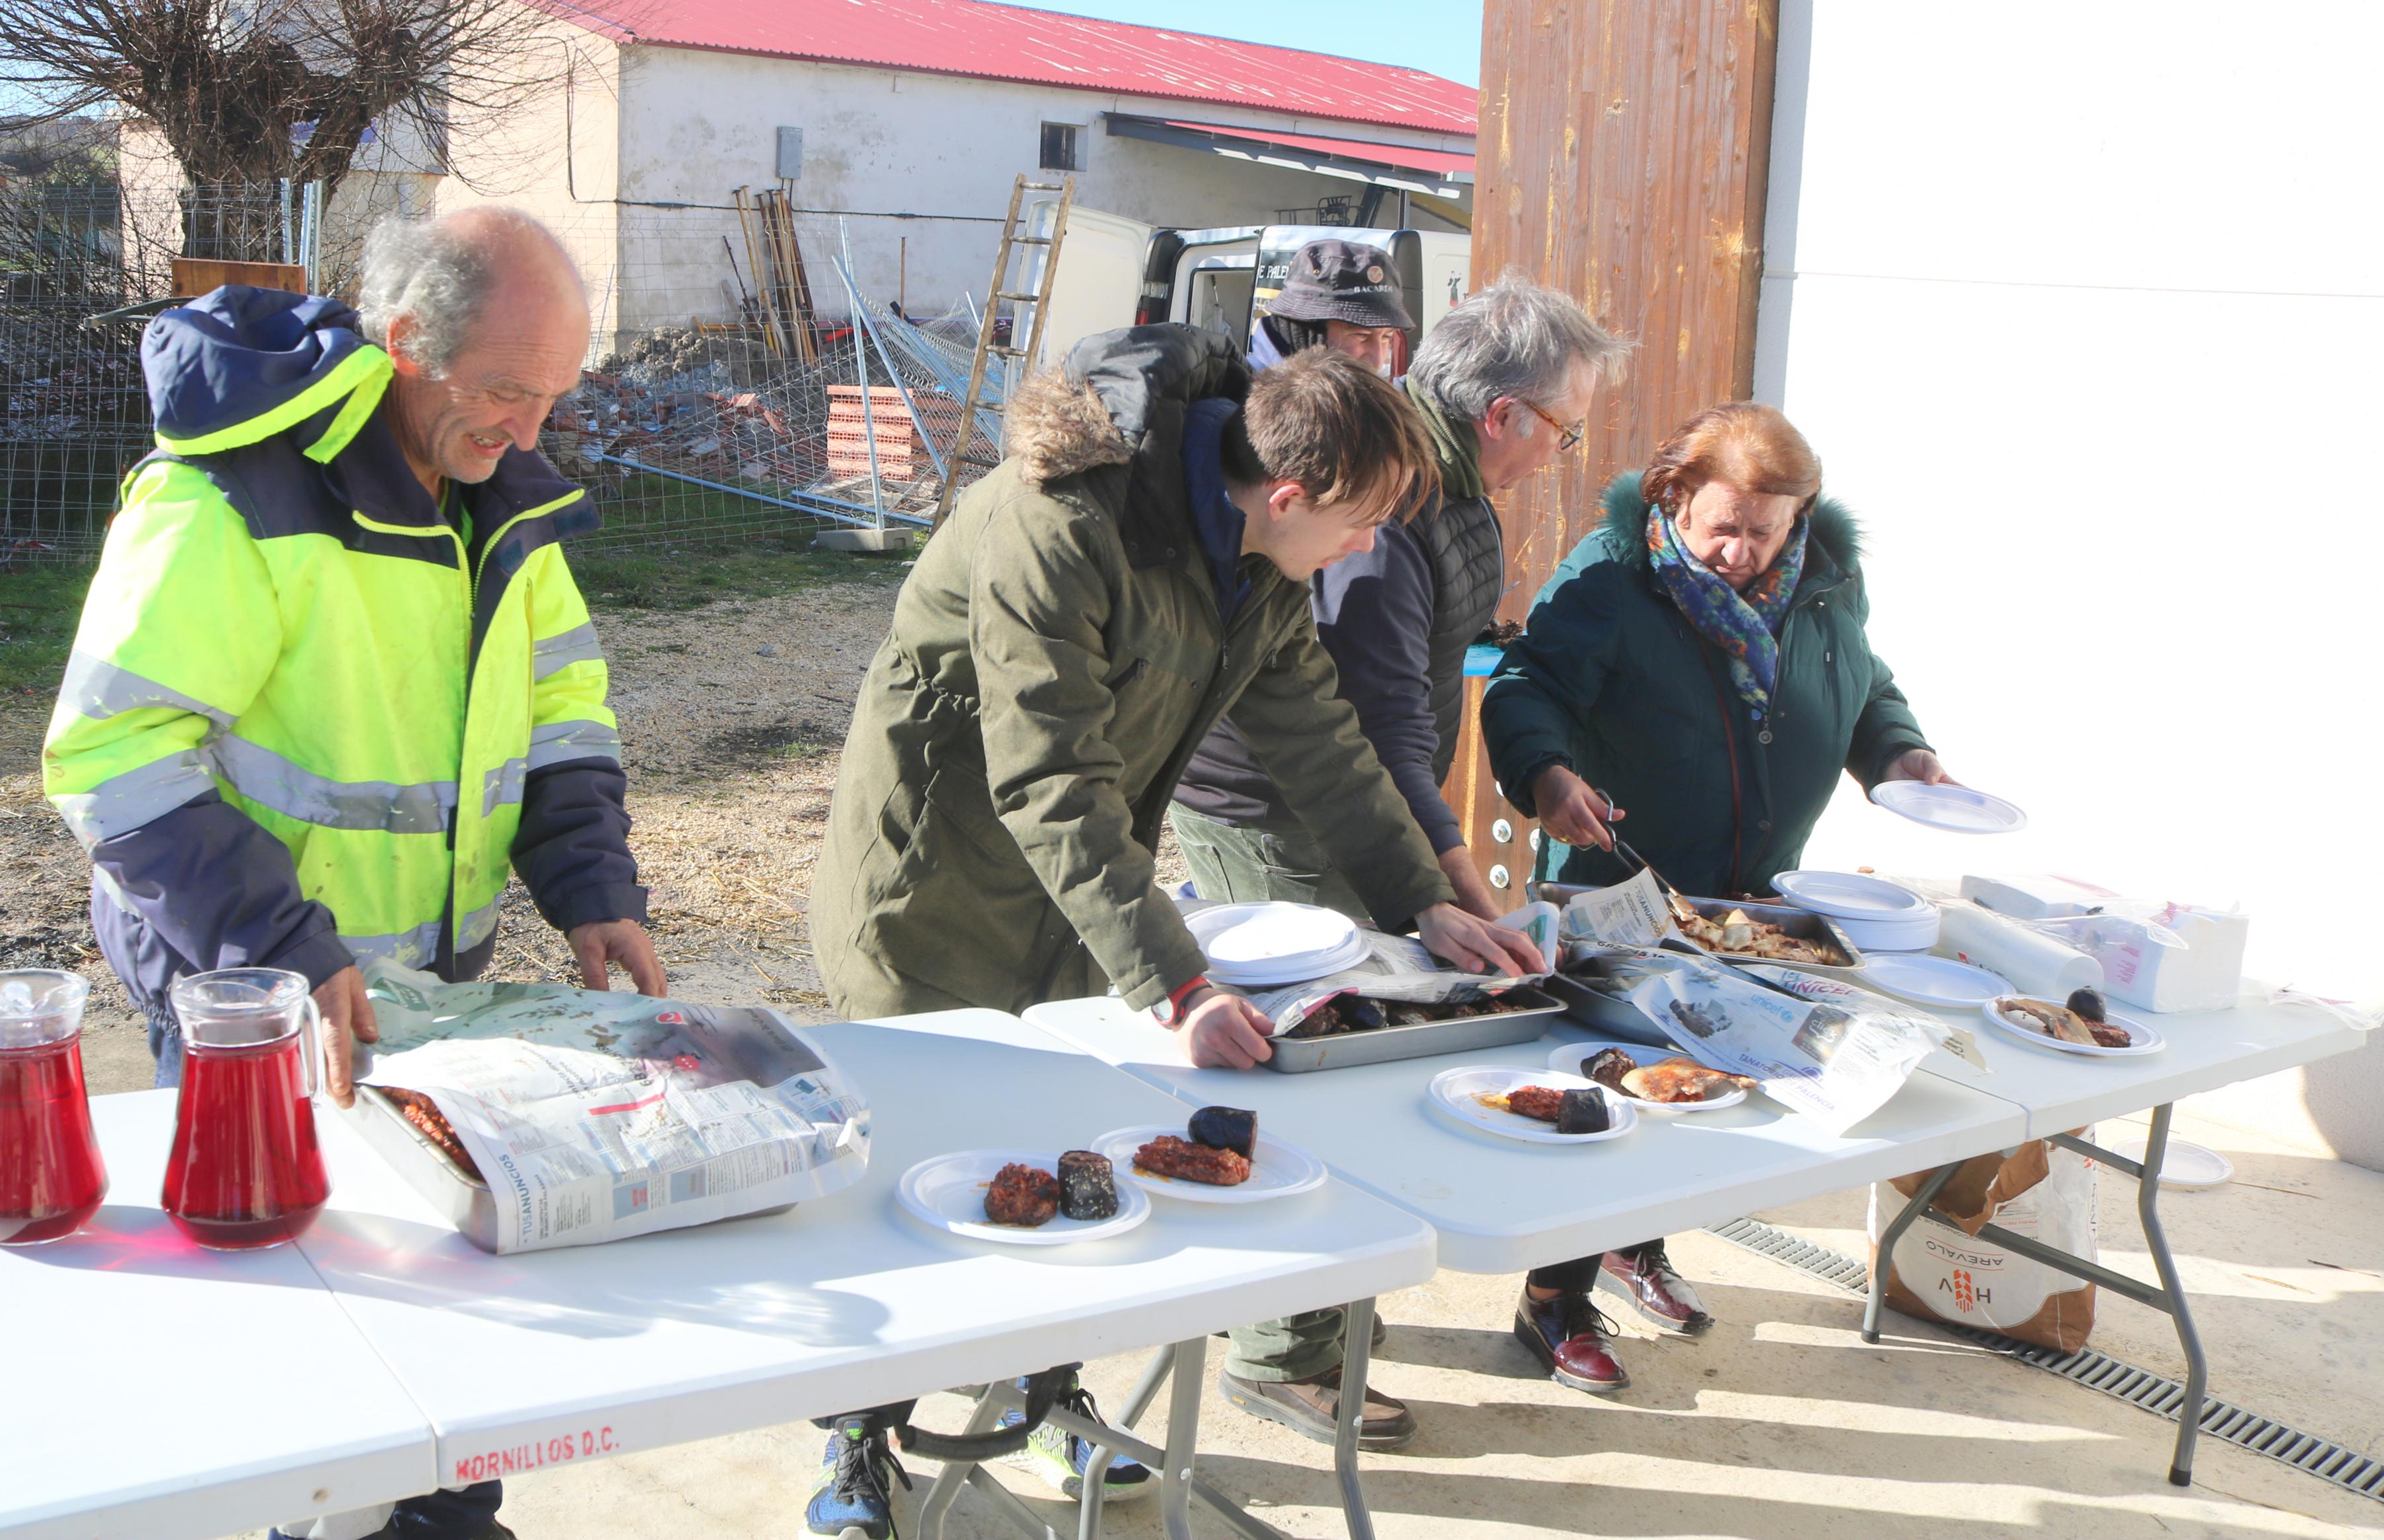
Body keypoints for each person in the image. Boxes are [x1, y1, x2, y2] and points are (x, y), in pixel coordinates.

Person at [801, 328, 1537, 1540]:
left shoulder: (1256, 553)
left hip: (1077, 897)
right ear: (1289, 493)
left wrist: (1425, 895)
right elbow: (1046, 780)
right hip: (934, 888)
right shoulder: (1062, 521)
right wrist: (1180, 986)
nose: (1366, 553)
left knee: (1056, 1150)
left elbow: (1318, 735)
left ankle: (1042, 1391)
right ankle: (857, 1443)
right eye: (1358, 527)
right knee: (904, 1182)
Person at [42, 207, 663, 1540]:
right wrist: (282, 945)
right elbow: (114, 761)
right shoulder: (227, 497)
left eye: (552, 396)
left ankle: (446, 1517)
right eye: (503, 390)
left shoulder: (506, 501)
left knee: (458, 1306)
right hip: (251, 1001)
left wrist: (591, 885)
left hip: (434, 995)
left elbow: (562, 713)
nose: (528, 429)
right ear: (400, 347)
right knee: (315, 1344)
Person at [1171, 273, 1626, 1435]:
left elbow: (1425, 678)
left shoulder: (1447, 482)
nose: (1562, 454)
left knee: (1346, 1061)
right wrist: (1451, 880)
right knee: (1305, 1064)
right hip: (1284, 813)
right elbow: (1376, 722)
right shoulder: (1401, 506)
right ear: (1500, 416)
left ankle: (1305, 1307)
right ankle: (1278, 1352)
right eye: (1562, 430)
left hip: (1358, 800)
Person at [1482, 400, 1950, 1394]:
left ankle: (1630, 1244)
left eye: (1764, 528)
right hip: (1620, 889)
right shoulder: (1611, 578)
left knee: (1692, 1090)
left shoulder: (1823, 581)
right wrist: (1545, 774)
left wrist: (1897, 750)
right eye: (1720, 526)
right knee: (1610, 1092)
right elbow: (1524, 687)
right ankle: (1550, 1299)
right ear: (1672, 495)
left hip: (1743, 900)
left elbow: (1860, 683)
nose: (1739, 551)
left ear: (1801, 516)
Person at [1247, 236, 1412, 375]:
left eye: (1386, 338)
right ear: (1305, 335)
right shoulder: (1239, 405)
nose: (1378, 361)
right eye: (1362, 336)